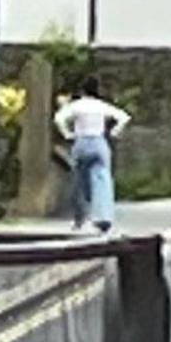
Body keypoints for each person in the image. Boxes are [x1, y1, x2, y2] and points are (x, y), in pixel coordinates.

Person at [52, 80, 128, 234]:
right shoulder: (101, 105)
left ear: (82, 91)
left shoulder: (77, 105)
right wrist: (114, 132)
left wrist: (67, 133)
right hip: (99, 142)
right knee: (102, 180)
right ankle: (103, 217)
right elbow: (124, 117)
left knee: (79, 181)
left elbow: (59, 118)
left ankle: (80, 217)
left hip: (81, 142)